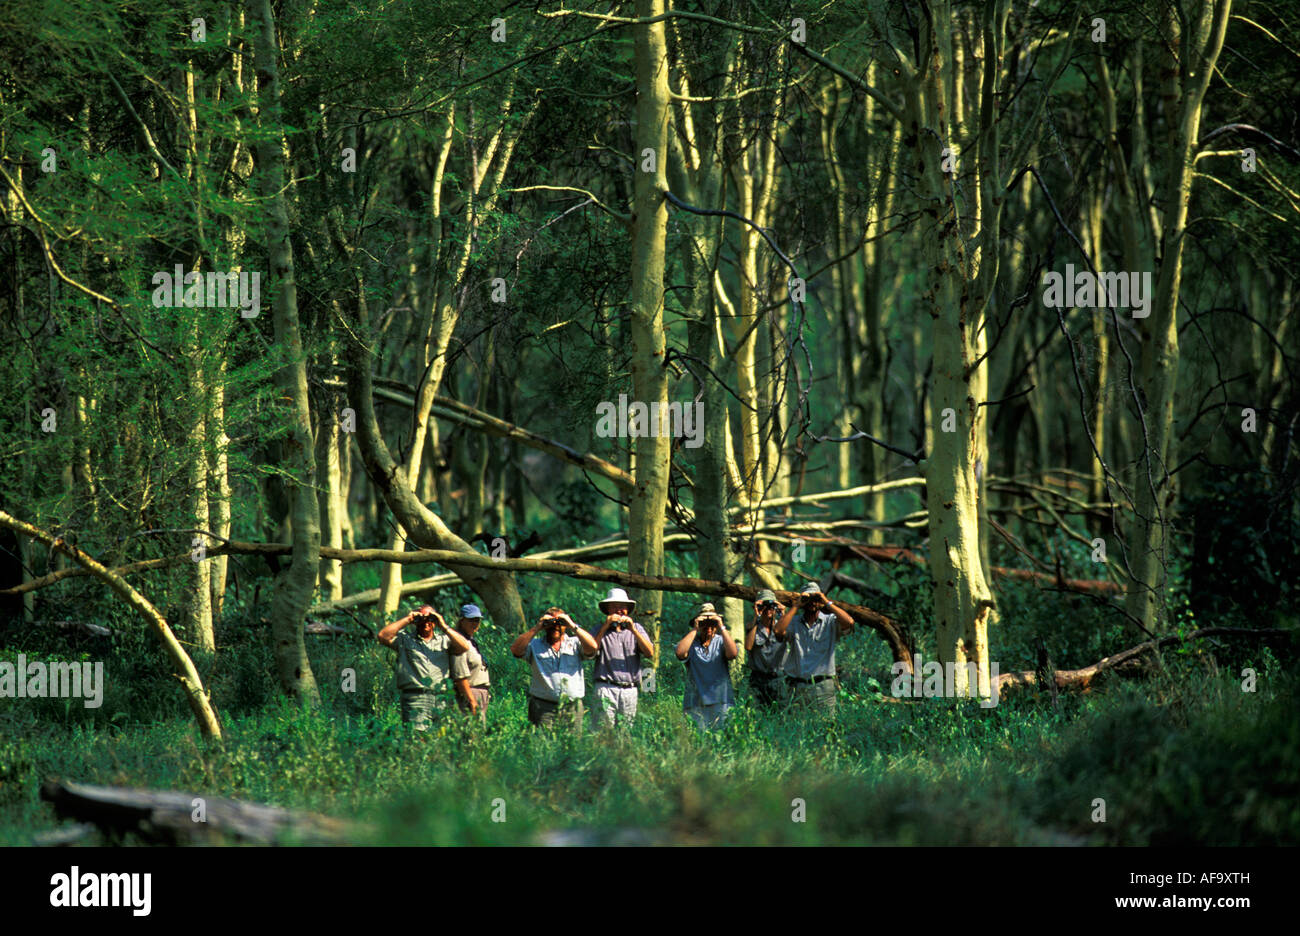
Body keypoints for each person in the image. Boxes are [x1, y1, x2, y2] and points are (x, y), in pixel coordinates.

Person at [377, 605, 471, 731]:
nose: (426, 623)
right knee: (417, 738)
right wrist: (408, 619)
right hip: (416, 698)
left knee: (440, 739)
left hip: (441, 698)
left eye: (430, 619)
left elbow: (464, 646)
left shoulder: (444, 640)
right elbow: (382, 636)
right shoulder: (405, 639)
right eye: (422, 619)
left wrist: (443, 625)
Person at [510, 606, 598, 729]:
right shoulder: (534, 645)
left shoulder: (575, 643)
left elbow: (593, 647)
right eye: (551, 623)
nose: (555, 626)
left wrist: (572, 625)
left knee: (572, 746)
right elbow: (515, 650)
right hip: (543, 707)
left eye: (560, 622)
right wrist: (537, 627)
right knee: (543, 745)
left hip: (572, 707)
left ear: (565, 625)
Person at [774, 582, 855, 712]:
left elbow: (849, 622)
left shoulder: (830, 621)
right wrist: (796, 606)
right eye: (808, 599)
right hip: (797, 686)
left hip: (823, 685)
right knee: (797, 730)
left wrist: (826, 601)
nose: (812, 602)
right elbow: (778, 631)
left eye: (815, 599)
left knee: (825, 727)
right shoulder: (793, 622)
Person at [590, 587, 655, 729]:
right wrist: (606, 626)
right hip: (605, 687)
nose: (619, 610)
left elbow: (649, 652)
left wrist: (633, 630)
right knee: (602, 732)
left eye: (623, 607)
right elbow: (590, 651)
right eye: (615, 607)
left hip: (630, 690)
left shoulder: (637, 628)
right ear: (608, 610)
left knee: (625, 734)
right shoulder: (598, 629)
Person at [675, 602, 738, 730]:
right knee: (696, 742)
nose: (708, 627)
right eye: (704, 623)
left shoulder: (721, 641)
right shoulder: (691, 643)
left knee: (722, 740)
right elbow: (680, 653)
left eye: (712, 623)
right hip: (695, 702)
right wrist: (695, 629)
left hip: (721, 700)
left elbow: (732, 653)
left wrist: (721, 626)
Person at [745, 589, 788, 706]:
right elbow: (748, 646)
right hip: (758, 679)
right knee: (757, 716)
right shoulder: (752, 627)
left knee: (781, 715)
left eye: (771, 606)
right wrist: (757, 616)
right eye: (765, 606)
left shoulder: (781, 626)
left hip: (778, 678)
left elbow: (788, 636)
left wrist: (783, 613)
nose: (768, 609)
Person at [450, 604, 491, 723]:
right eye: (471, 620)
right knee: (471, 734)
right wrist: (471, 700)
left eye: (477, 620)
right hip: (469, 693)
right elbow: (459, 676)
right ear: (461, 621)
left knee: (479, 734)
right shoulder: (459, 642)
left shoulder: (471, 641)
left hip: (480, 693)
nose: (475, 623)